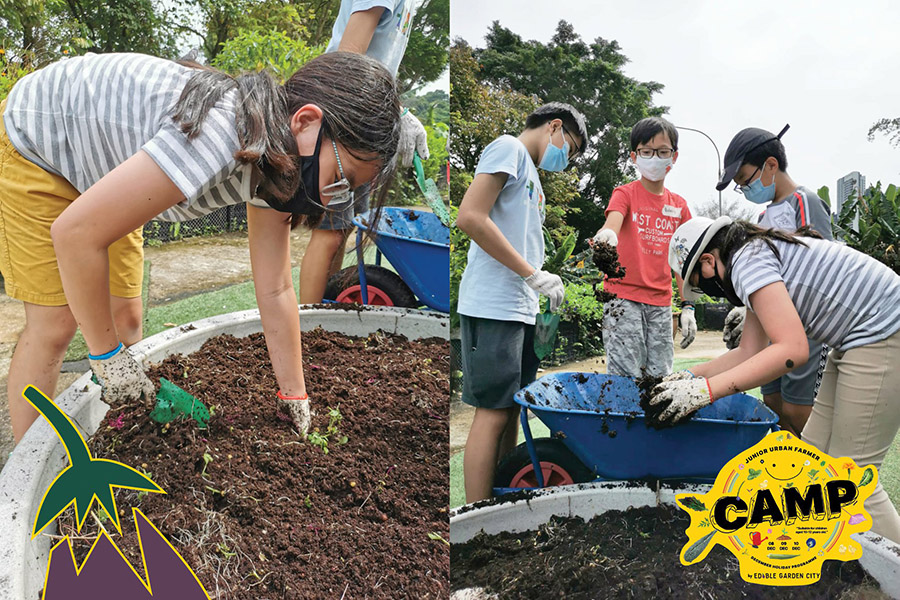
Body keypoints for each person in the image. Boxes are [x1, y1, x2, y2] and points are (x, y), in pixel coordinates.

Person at [0, 50, 400, 442]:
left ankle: (123, 431)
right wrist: (106, 358)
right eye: (340, 178)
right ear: (306, 121)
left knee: (126, 322)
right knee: (56, 324)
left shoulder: (274, 166)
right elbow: (76, 235)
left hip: (100, 167)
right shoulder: (220, 134)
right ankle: (28, 473)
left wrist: (294, 393)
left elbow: (276, 288)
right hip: (38, 144)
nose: (331, 199)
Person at [653, 216, 900, 542]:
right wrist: (686, 377)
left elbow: (791, 351)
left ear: (709, 261)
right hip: (857, 337)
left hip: (883, 333)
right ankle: (824, 550)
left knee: (851, 479)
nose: (707, 291)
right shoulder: (752, 254)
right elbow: (748, 352)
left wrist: (704, 392)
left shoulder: (745, 263)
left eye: (700, 282)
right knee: (812, 459)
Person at [456, 102, 587, 502]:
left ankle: (500, 501)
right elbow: (471, 217)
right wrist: (531, 274)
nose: (569, 159)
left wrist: (539, 283)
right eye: (573, 149)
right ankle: (477, 518)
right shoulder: (508, 148)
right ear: (555, 127)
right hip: (493, 304)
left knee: (512, 407)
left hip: (518, 307)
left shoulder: (532, 176)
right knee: (493, 411)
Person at [297, 0, 429, 304]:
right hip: (341, 125)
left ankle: (325, 308)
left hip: (364, 130)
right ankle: (308, 322)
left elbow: (381, 64)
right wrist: (398, 111)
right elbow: (348, 59)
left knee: (341, 230)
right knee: (330, 232)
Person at [714, 125, 833, 436]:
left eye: (745, 181)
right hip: (773, 326)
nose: (745, 189)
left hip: (807, 323)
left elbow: (822, 261)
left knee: (798, 409)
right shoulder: (765, 218)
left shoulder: (803, 201)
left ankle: (818, 467)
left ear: (770, 165)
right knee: (773, 402)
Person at [591, 116, 693, 379]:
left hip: (660, 303)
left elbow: (684, 261)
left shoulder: (679, 207)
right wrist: (607, 235)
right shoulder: (625, 194)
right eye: (646, 152)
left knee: (659, 376)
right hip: (622, 299)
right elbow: (613, 221)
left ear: (674, 156)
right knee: (625, 377)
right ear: (634, 156)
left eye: (662, 152)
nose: (654, 158)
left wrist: (688, 306)